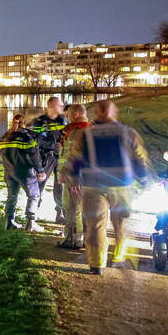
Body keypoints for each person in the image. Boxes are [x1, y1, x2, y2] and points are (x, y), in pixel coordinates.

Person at [65, 99, 152, 274]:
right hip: (121, 185)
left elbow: (75, 158)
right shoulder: (127, 133)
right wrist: (143, 179)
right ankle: (118, 256)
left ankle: (96, 264)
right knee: (120, 224)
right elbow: (138, 159)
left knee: (95, 225)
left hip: (93, 186)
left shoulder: (85, 134)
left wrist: (72, 177)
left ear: (96, 113)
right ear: (115, 113)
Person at [0, 113, 46, 231]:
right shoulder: (27, 135)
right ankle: (30, 223)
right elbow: (33, 154)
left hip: (9, 171)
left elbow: (3, 153)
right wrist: (40, 170)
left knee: (12, 196)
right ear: (25, 123)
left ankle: (9, 222)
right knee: (34, 195)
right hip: (24, 171)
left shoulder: (6, 136)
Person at [56, 104, 91, 249]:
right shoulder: (89, 129)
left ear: (76, 113)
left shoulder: (77, 131)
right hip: (83, 176)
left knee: (72, 207)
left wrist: (66, 173)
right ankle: (82, 239)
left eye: (68, 114)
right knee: (80, 208)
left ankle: (73, 239)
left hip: (75, 177)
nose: (66, 117)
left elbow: (75, 156)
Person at [30, 97, 67, 223]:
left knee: (60, 185)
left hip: (60, 157)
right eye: (59, 105)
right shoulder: (40, 122)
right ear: (51, 106)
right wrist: (51, 145)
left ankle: (60, 212)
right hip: (45, 156)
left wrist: (62, 145)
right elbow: (35, 140)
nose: (62, 108)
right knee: (40, 183)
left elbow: (67, 136)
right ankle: (33, 213)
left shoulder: (63, 120)